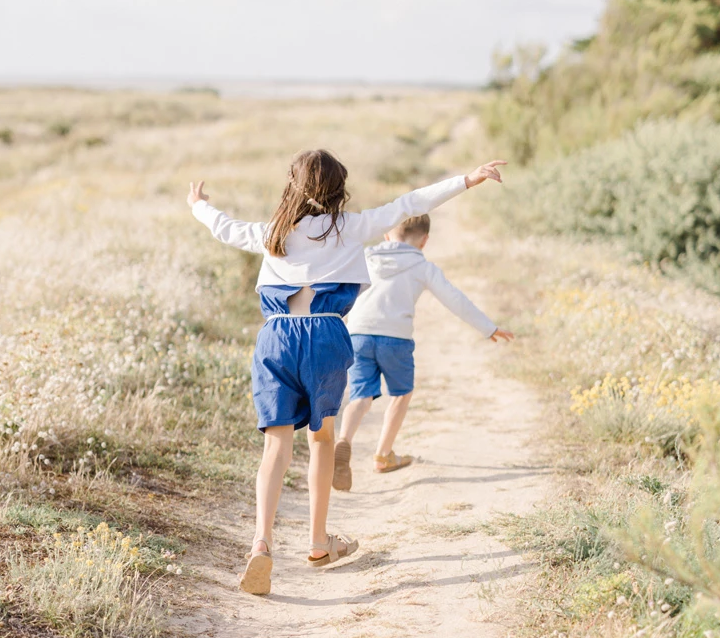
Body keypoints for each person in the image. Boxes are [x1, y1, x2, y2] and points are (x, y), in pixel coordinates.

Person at [187, 149, 506, 596]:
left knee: (276, 445)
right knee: (321, 440)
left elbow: (225, 227)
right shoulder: (351, 228)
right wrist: (467, 180)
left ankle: (261, 542)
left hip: (276, 336)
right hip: (325, 336)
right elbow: (410, 204)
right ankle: (319, 542)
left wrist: (198, 205)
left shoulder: (273, 232)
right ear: (339, 188)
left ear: (292, 186)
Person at [333, 214, 513, 491]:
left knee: (360, 396)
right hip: (396, 338)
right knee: (401, 394)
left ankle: (344, 439)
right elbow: (455, 299)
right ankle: (383, 455)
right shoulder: (422, 267)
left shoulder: (367, 258)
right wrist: (488, 328)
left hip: (358, 333)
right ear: (424, 241)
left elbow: (342, 291)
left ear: (386, 235)